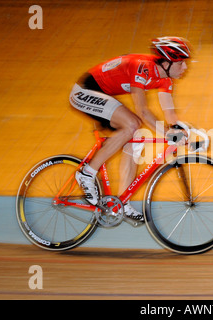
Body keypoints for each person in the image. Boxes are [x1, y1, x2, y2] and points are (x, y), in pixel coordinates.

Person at [69, 36, 192, 222]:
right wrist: (168, 134)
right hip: (85, 91)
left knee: (135, 139)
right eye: (181, 63)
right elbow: (142, 110)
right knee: (133, 124)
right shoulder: (141, 66)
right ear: (166, 62)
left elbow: (170, 115)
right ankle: (86, 173)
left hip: (103, 95)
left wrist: (182, 129)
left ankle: (122, 202)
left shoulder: (166, 79)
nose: (185, 68)